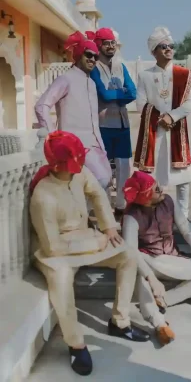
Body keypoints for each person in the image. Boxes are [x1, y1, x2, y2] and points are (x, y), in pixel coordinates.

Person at [29, 131, 150, 376]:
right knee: (61, 280)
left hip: (86, 237)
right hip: (55, 251)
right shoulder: (43, 195)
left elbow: (96, 193)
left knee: (127, 255)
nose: (80, 166)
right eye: (74, 162)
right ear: (58, 165)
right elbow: (52, 247)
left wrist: (107, 226)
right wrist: (98, 241)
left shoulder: (79, 174)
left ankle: (120, 321)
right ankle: (76, 344)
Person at [120, 171, 191, 346]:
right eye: (156, 189)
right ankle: (159, 324)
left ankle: (164, 300)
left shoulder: (168, 201)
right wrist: (151, 278)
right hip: (149, 263)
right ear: (147, 198)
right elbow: (130, 251)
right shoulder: (131, 216)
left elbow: (187, 229)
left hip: (173, 260)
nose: (162, 189)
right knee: (136, 266)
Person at [34, 32, 112, 191]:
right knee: (100, 180)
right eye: (88, 54)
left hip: (95, 144)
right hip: (73, 144)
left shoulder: (91, 83)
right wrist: (52, 136)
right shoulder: (66, 78)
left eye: (96, 57)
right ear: (78, 55)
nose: (92, 59)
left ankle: (82, 213)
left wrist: (101, 144)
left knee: (106, 179)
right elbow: (42, 105)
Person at [133, 27, 191, 219]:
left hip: (178, 132)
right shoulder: (145, 76)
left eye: (171, 46)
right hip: (155, 133)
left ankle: (183, 219)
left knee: (183, 180)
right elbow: (140, 103)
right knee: (155, 179)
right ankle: (156, 219)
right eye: (163, 46)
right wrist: (161, 118)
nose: (169, 49)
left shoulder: (184, 74)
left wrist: (173, 116)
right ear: (154, 51)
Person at [87, 27, 136, 212]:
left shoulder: (121, 67)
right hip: (104, 124)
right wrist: (121, 93)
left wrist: (119, 94)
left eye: (113, 43)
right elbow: (103, 95)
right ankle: (105, 206)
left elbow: (132, 92)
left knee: (124, 166)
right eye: (106, 43)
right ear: (99, 45)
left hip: (123, 124)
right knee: (105, 168)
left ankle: (122, 204)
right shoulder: (94, 68)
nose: (110, 46)